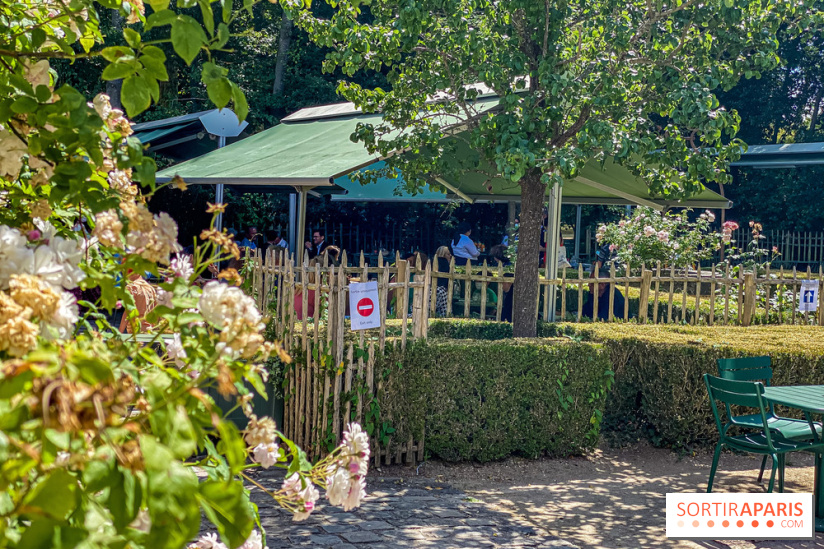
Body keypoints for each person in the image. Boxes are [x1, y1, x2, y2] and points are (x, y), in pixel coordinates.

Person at [434, 246, 452, 317]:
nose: (450, 256)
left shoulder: (434, 262)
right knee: (444, 313)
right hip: (442, 290)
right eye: (448, 254)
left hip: (433, 288)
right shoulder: (444, 263)